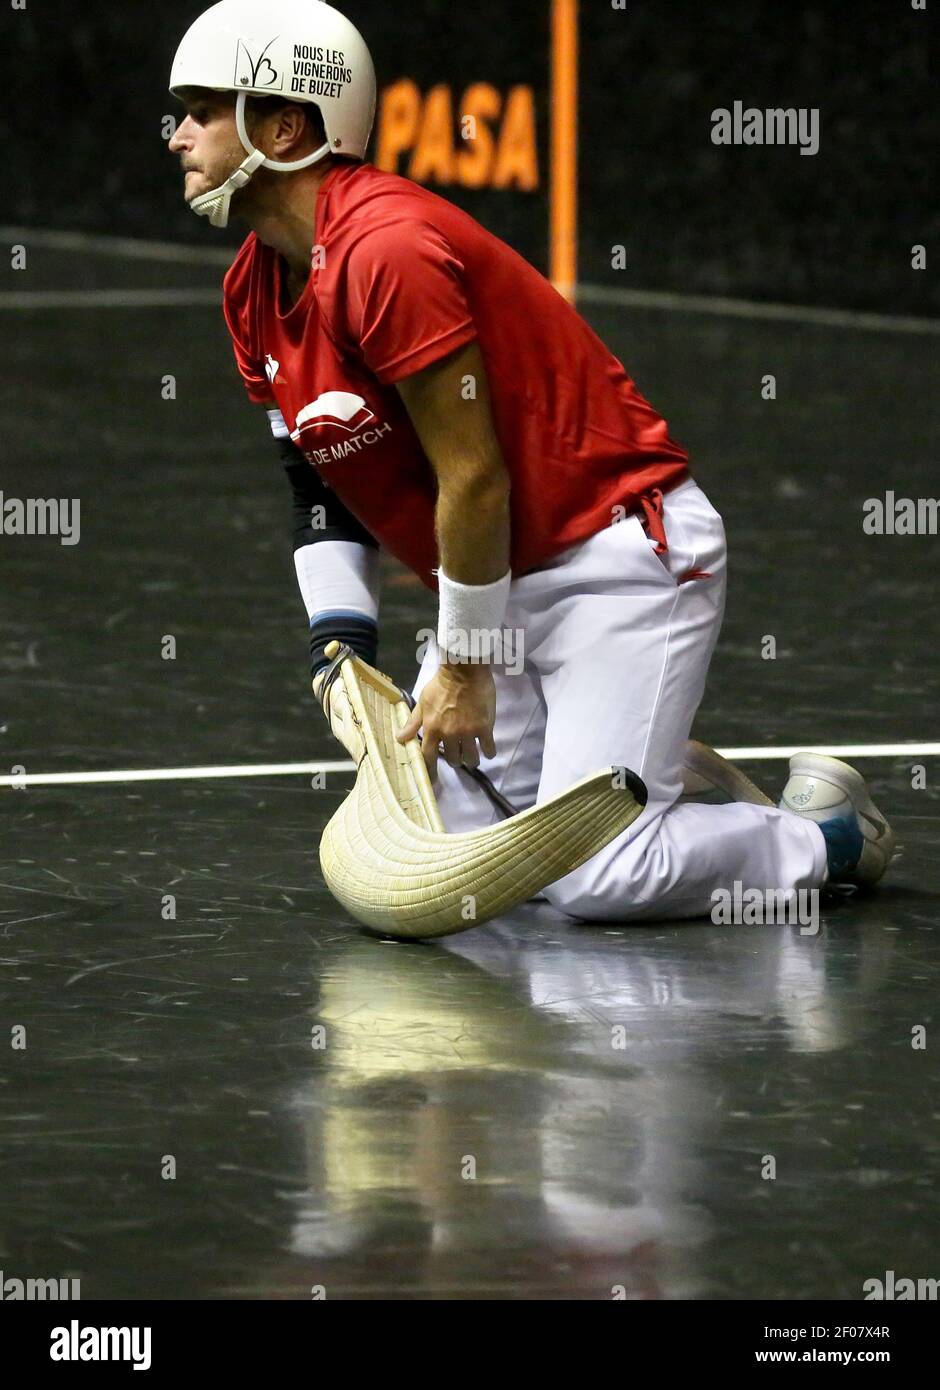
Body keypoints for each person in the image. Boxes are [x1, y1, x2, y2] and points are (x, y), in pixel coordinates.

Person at [167, 0, 895, 922]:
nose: (178, 134)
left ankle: (828, 839)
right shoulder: (251, 291)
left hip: (618, 558)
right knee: (470, 838)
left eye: (202, 109)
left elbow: (474, 475)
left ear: (285, 125)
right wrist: (338, 647)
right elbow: (319, 481)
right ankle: (649, 768)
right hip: (490, 580)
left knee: (592, 878)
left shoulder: (386, 251)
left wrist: (465, 666)